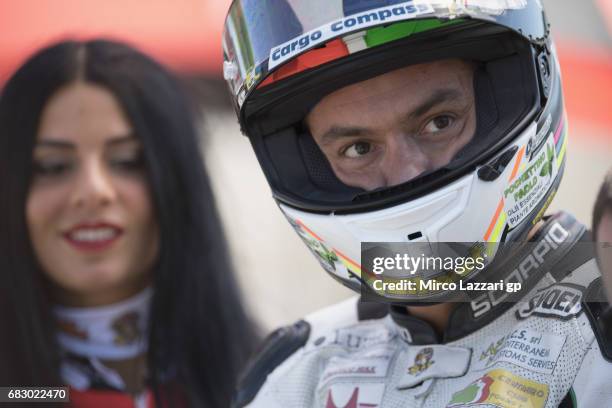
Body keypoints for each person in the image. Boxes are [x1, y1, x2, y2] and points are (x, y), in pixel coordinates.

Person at [222, 1, 612, 407]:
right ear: (311, 166)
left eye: (440, 122)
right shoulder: (298, 371)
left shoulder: (603, 336)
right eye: (359, 149)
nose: (408, 172)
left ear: (512, 92)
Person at [0, 39, 257, 407]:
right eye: (52, 167)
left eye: (127, 161)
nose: (93, 191)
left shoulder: (284, 377)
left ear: (180, 186)